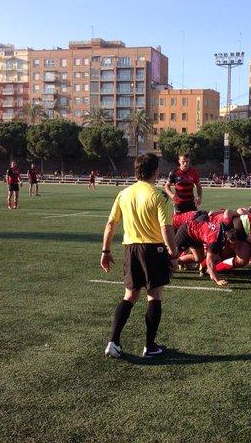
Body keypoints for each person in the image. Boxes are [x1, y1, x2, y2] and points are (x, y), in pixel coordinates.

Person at [100, 153, 178, 359]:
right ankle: (149, 346)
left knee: (130, 296)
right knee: (154, 295)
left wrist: (105, 252)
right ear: (155, 171)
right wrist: (174, 253)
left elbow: (110, 224)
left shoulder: (124, 194)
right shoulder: (158, 196)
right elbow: (166, 229)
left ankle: (113, 342)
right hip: (153, 250)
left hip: (131, 250)